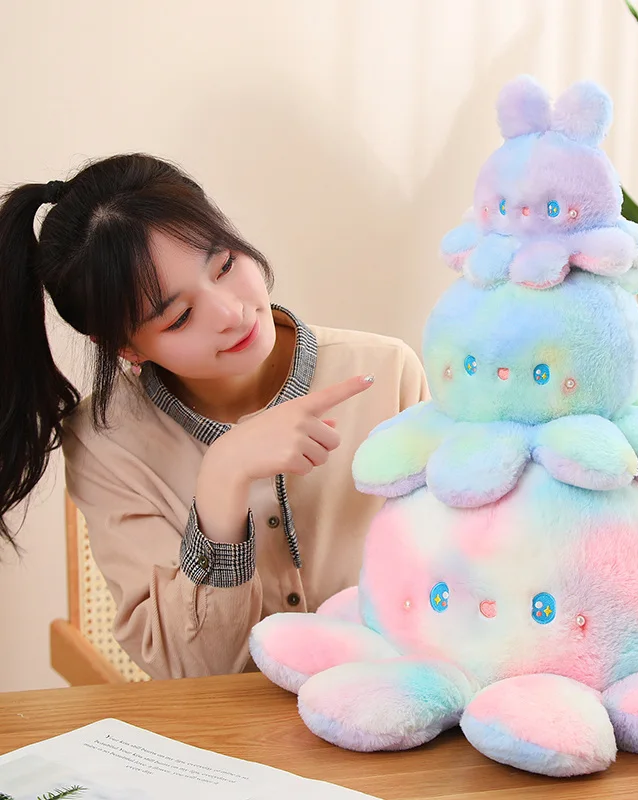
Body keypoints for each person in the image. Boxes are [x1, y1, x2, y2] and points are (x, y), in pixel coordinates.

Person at [0, 153, 428, 679]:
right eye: (180, 317)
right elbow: (192, 674)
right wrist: (223, 479)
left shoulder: (386, 372)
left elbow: (460, 578)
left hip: (402, 706)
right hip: (230, 731)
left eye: (225, 265)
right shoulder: (104, 442)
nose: (231, 313)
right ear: (125, 348)